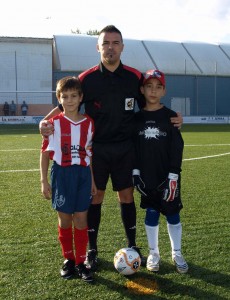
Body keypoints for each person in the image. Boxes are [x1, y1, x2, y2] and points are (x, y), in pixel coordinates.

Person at [40, 25, 183, 272]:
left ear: (122, 47)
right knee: (95, 197)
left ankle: (132, 245)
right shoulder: (86, 79)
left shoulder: (134, 77)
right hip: (96, 150)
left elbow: (151, 100)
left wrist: (174, 117)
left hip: (126, 149)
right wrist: (45, 120)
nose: (110, 47)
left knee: (126, 196)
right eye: (106, 43)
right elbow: (65, 102)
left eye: (115, 43)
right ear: (98, 47)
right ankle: (92, 251)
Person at [40, 76, 96, 282]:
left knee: (81, 218)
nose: (70, 100)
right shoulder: (52, 124)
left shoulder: (89, 123)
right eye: (65, 96)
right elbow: (45, 153)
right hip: (61, 175)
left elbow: (89, 155)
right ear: (59, 99)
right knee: (64, 219)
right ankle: (68, 259)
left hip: (82, 174)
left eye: (74, 96)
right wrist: (44, 181)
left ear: (81, 97)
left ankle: (81, 261)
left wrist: (92, 181)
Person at [132, 69, 188, 274]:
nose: (153, 91)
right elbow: (135, 148)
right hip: (147, 176)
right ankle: (154, 253)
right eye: (149, 86)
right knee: (152, 212)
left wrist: (173, 175)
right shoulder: (136, 118)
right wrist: (136, 173)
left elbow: (177, 147)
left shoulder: (171, 116)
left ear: (164, 91)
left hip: (168, 176)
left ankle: (177, 252)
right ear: (142, 89)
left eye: (158, 87)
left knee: (173, 214)